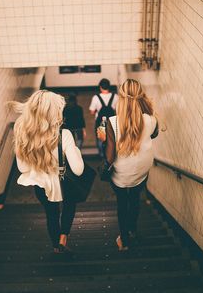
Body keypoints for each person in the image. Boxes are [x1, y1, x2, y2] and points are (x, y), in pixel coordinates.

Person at [10, 90, 84, 254]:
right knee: (69, 204)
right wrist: (76, 152)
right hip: (64, 181)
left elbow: (23, 169)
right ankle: (63, 236)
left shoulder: (23, 133)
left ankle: (56, 247)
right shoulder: (64, 134)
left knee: (51, 213)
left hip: (41, 183)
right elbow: (78, 170)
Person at [97, 79, 158, 251]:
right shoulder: (151, 119)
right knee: (136, 199)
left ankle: (123, 240)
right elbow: (153, 135)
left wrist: (104, 139)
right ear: (140, 96)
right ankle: (132, 230)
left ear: (121, 98)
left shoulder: (113, 122)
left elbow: (109, 158)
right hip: (141, 171)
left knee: (122, 203)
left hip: (121, 175)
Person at [89, 78, 118, 157]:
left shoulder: (96, 97)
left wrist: (96, 111)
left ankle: (102, 156)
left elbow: (92, 111)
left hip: (101, 122)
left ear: (100, 87)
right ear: (109, 86)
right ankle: (111, 156)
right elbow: (118, 110)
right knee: (112, 139)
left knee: (100, 139)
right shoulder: (115, 96)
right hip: (112, 122)